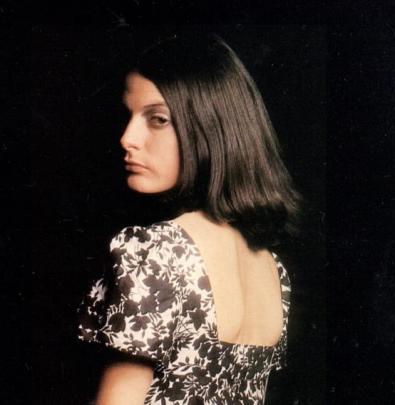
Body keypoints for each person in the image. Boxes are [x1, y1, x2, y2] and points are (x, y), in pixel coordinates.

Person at [77, 32, 301, 404]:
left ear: (210, 127)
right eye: (129, 116)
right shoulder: (271, 269)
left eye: (157, 119)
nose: (127, 138)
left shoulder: (154, 250)